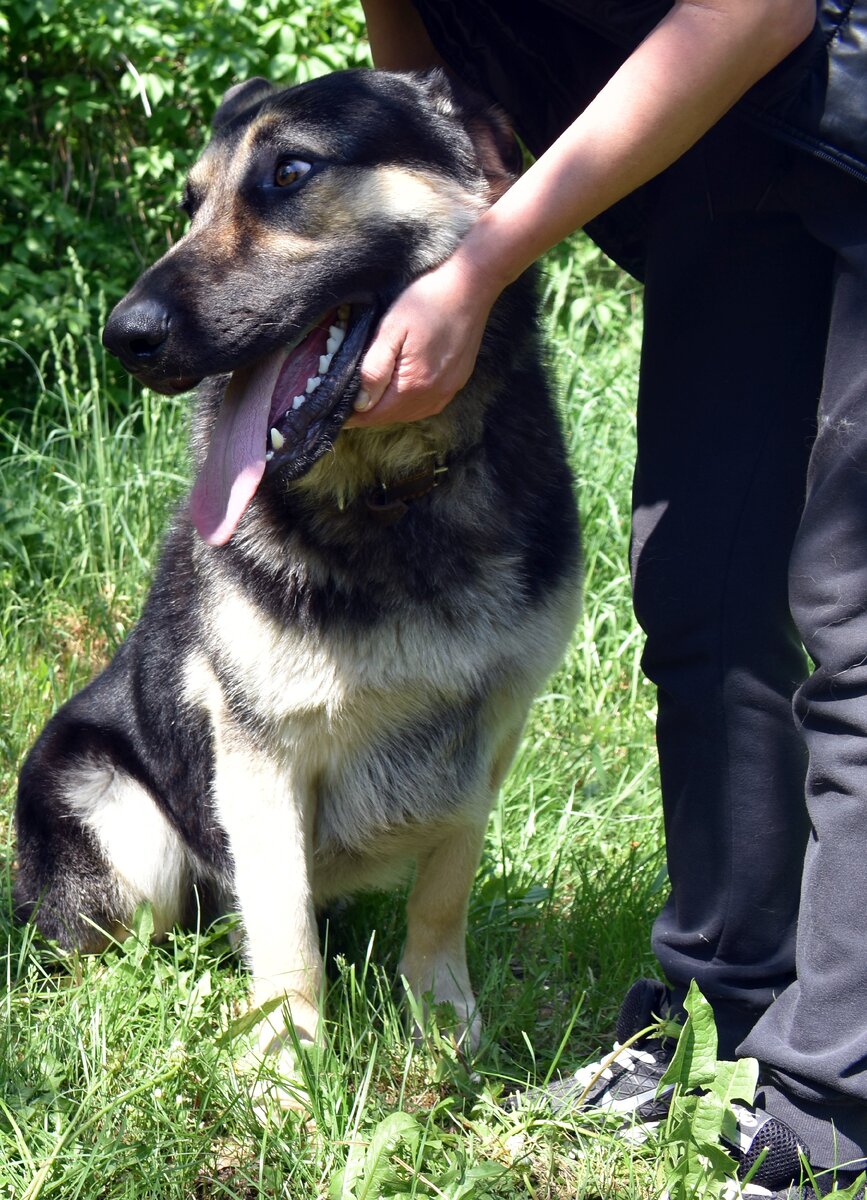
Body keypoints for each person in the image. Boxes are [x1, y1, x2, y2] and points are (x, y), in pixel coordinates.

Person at [351, 1, 867, 1197]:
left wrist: (485, 266)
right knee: (704, 597)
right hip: (731, 176)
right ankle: (714, 1010)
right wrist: (430, 250)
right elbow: (427, 57)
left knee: (854, 619)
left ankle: (835, 1104)